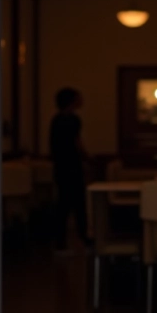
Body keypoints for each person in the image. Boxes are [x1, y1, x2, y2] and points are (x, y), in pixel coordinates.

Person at [50, 87, 90, 252]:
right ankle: (84, 240)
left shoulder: (56, 120)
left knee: (64, 205)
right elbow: (77, 143)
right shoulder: (72, 120)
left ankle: (61, 243)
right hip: (71, 166)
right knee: (77, 204)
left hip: (61, 166)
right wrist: (88, 160)